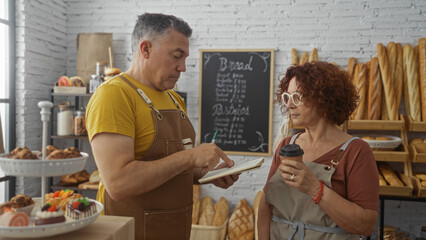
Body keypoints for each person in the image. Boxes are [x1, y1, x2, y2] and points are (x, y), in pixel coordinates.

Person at [86, 13, 239, 240]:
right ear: (145, 49)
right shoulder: (114, 94)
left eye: (185, 58)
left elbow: (173, 168)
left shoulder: (174, 100)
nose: (183, 67)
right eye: (177, 56)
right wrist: (190, 157)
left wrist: (206, 174)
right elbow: (118, 183)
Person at [258, 61, 379, 239]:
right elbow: (266, 204)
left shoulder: (356, 151)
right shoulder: (286, 146)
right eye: (287, 97)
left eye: (297, 97)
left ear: (323, 98)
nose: (290, 105)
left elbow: (365, 225)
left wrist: (315, 189)